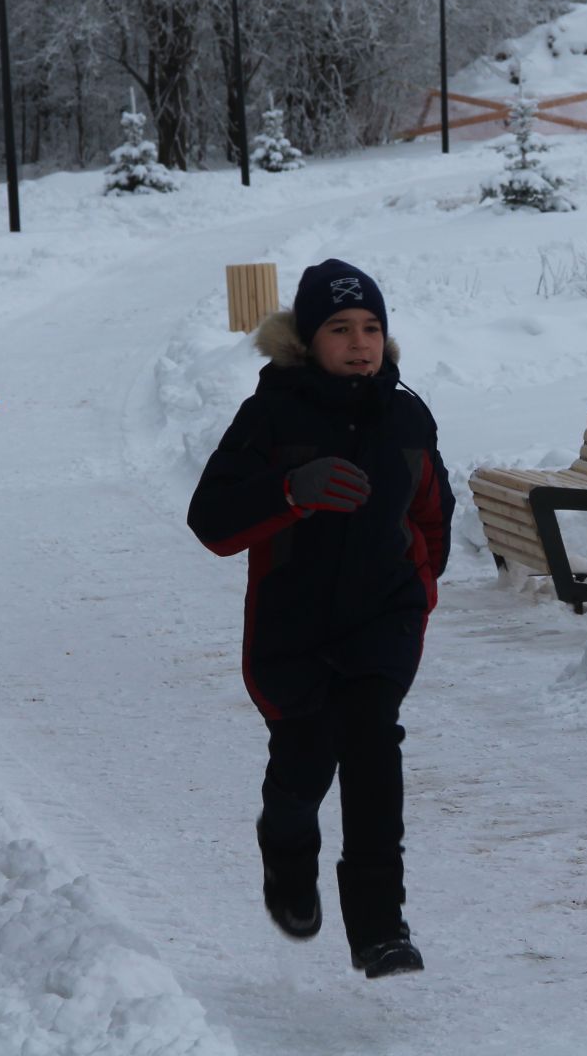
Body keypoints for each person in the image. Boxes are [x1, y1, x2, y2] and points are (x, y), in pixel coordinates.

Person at [188, 259, 453, 979]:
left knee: (373, 753)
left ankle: (379, 928)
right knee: (304, 763)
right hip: (293, 626)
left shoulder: (406, 414)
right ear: (308, 339)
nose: (361, 342)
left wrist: (418, 587)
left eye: (372, 327)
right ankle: (286, 850)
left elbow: (432, 513)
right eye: (340, 329)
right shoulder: (271, 414)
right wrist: (290, 491)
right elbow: (210, 521)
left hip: (381, 620)